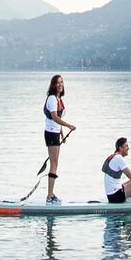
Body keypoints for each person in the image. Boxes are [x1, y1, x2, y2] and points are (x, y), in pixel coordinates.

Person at [41, 74, 76, 204]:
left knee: (55, 164)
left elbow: (57, 120)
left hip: (55, 133)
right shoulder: (51, 99)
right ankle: (49, 196)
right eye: (57, 83)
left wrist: (62, 133)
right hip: (50, 133)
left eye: (62, 82)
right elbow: (55, 117)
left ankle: (51, 194)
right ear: (53, 85)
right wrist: (68, 126)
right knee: (54, 164)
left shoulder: (58, 99)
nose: (60, 85)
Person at [102, 137, 131, 204]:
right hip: (115, 197)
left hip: (112, 195)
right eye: (126, 146)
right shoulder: (119, 158)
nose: (128, 148)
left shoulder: (113, 156)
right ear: (120, 148)